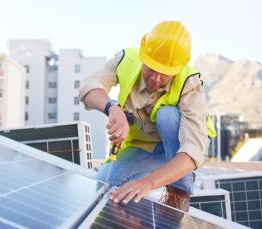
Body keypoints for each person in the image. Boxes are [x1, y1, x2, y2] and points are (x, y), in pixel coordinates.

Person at [79, 20, 216, 212]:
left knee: (167, 116)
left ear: (176, 69)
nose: (155, 79)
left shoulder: (190, 82)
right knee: (103, 185)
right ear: (144, 55)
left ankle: (179, 192)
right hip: (145, 146)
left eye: (164, 74)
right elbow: (88, 87)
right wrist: (113, 108)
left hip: (180, 147)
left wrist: (149, 182)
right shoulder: (124, 59)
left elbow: (193, 151)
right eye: (151, 68)